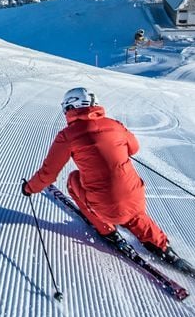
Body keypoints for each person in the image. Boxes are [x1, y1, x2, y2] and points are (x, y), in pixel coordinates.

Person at [21, 87, 181, 265]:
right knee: (131, 206)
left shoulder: (67, 136)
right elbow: (134, 148)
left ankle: (107, 231)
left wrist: (29, 188)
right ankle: (162, 246)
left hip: (105, 206)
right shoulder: (115, 125)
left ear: (71, 107)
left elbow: (48, 173)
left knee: (74, 179)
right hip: (137, 197)